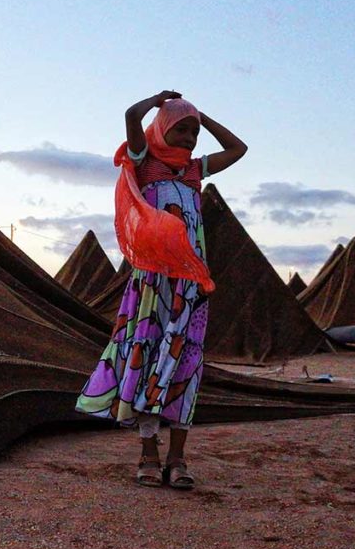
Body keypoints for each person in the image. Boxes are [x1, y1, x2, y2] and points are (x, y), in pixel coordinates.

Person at [75, 90, 247, 489]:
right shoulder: (144, 162)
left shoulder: (195, 171)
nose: (189, 137)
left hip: (190, 284)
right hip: (152, 281)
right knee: (146, 356)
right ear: (162, 129)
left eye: (194, 132)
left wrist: (202, 116)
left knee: (186, 363)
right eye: (181, 129)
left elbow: (238, 148)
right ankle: (148, 453)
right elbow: (130, 116)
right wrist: (156, 102)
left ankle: (178, 457)